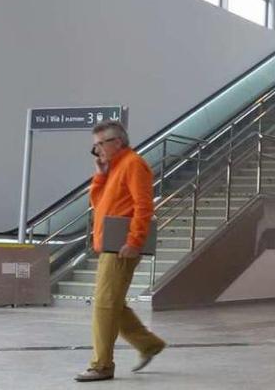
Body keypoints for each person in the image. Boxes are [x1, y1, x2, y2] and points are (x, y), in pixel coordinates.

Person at [75, 120, 166, 382]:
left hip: (122, 247)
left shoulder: (134, 164)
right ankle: (149, 344)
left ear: (117, 142)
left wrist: (135, 241)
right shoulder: (114, 167)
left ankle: (101, 365)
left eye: (99, 145)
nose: (97, 151)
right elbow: (97, 202)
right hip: (110, 245)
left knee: (104, 305)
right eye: (94, 147)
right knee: (112, 303)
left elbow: (144, 206)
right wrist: (100, 174)